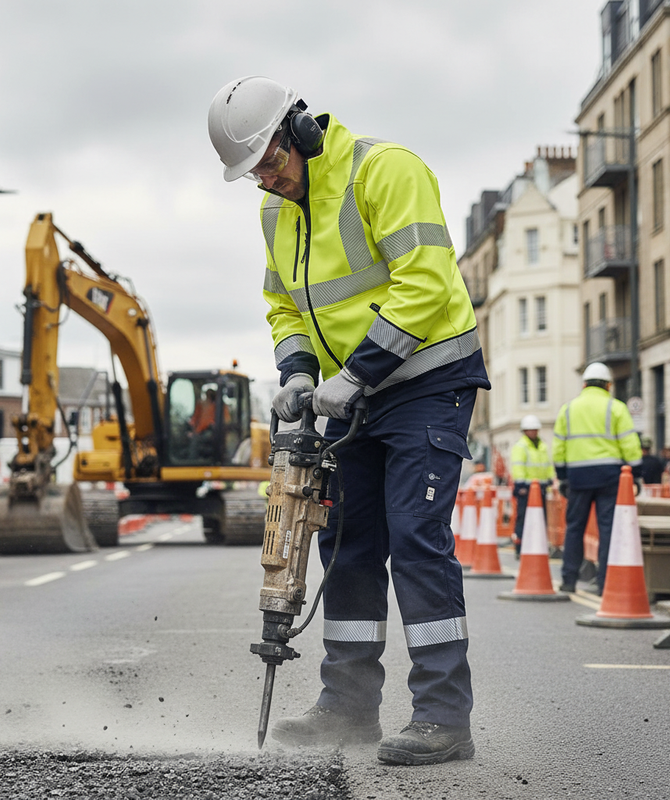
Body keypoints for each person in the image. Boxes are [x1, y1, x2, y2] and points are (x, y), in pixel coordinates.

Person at [208, 76, 491, 766]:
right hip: (349, 394)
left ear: (300, 131)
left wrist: (355, 374)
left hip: (427, 380)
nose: (267, 183)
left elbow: (423, 283)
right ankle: (348, 706)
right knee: (346, 544)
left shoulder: (385, 170)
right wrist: (301, 373)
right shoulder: (276, 213)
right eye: (254, 175)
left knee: (416, 535)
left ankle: (444, 717)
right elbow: (285, 307)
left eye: (271, 163)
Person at [552, 363, 642, 595]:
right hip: (609, 476)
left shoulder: (568, 409)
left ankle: (569, 580)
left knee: (575, 528)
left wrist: (562, 477)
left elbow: (558, 447)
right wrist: (637, 474)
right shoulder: (616, 408)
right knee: (608, 529)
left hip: (578, 477)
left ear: (584, 384)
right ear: (608, 385)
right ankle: (605, 583)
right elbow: (630, 444)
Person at [510, 414, 555, 557]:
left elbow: (547, 465)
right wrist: (520, 484)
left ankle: (537, 544)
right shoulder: (521, 446)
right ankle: (520, 546)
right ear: (524, 431)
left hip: (540, 487)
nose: (533, 432)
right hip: (526, 488)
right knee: (523, 518)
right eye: (530, 430)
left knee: (541, 518)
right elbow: (518, 467)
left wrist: (550, 479)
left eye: (535, 429)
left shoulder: (542, 446)